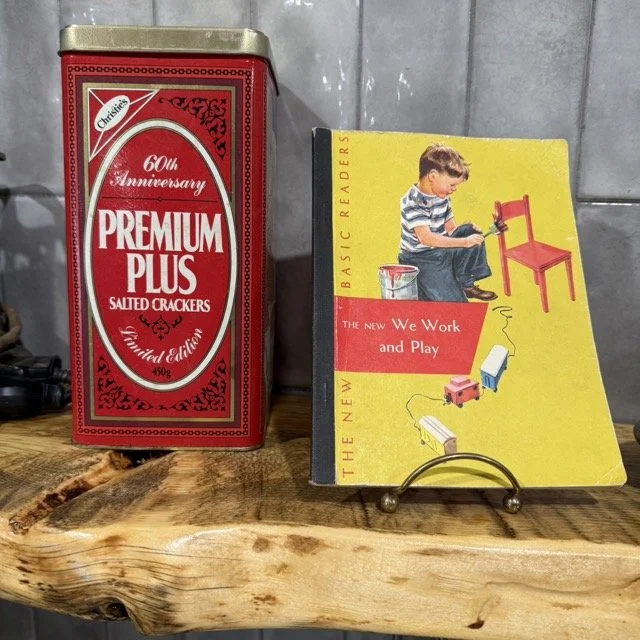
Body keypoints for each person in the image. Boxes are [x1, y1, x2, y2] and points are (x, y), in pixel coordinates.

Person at [398, 143, 497, 302]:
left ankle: (466, 283)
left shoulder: (442, 197)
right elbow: (426, 238)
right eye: (452, 184)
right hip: (421, 258)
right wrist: (465, 242)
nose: (454, 189)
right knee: (456, 305)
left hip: (440, 251)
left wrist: (467, 233)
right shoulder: (414, 201)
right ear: (433, 176)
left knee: (470, 230)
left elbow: (451, 228)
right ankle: (436, 287)